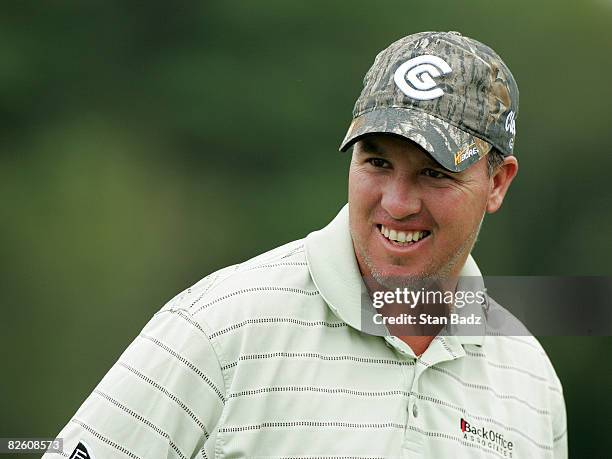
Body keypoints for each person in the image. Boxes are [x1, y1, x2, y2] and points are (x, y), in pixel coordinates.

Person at [45, 31, 567, 459]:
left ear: (498, 183)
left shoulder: (528, 378)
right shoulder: (221, 326)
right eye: (377, 162)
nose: (398, 203)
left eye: (434, 172)